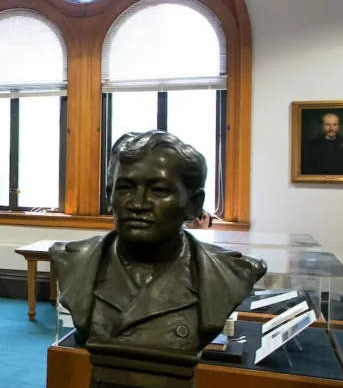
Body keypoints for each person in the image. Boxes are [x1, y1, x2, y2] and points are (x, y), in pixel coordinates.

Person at [51, 130, 265, 352]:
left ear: (194, 204)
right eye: (125, 188)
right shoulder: (74, 262)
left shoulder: (230, 274)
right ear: (109, 194)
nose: (138, 204)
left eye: (159, 190)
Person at [301, 111, 343, 177]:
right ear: (322, 126)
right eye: (327, 124)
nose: (331, 128)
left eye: (334, 125)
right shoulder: (311, 147)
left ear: (338, 126)